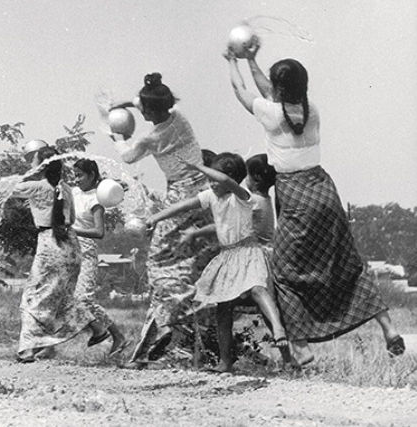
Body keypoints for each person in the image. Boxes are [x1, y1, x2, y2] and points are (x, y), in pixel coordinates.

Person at [225, 45, 405, 364]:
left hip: (295, 194)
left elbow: (242, 91)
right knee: (348, 263)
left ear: (279, 89)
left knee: (283, 271)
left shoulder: (271, 114)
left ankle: (302, 344)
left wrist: (233, 62)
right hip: (324, 189)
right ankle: (388, 328)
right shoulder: (312, 110)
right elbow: (272, 90)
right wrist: (252, 59)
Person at [109, 72, 215, 368]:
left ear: (149, 112)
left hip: (181, 197)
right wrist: (127, 103)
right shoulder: (179, 117)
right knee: (193, 260)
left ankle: (170, 317)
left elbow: (129, 158)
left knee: (158, 263)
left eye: (142, 108)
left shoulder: (152, 137)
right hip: (204, 192)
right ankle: (182, 328)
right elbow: (149, 100)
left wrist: (118, 137)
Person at [148, 153, 289, 373]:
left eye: (214, 179)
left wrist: (197, 166)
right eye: (210, 179)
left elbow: (225, 182)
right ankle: (225, 362)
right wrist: (155, 218)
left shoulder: (244, 196)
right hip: (227, 256)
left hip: (248, 251)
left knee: (258, 289)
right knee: (223, 310)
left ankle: (279, 330)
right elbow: (185, 206)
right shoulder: (211, 196)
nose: (212, 183)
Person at [8, 146, 112, 362]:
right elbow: (71, 219)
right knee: (63, 298)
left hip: (50, 244)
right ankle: (97, 328)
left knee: (32, 298)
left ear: (41, 166)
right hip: (71, 245)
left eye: (33, 161)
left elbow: (4, 189)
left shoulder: (36, 186)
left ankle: (28, 350)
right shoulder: (66, 189)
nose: (30, 165)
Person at [71, 158, 129, 356]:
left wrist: (73, 230)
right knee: (63, 299)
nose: (76, 179)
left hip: (86, 253)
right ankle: (49, 346)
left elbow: (99, 231)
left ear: (92, 176)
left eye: (80, 175)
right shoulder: (74, 192)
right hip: (70, 253)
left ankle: (115, 334)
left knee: (82, 300)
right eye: (75, 175)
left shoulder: (96, 200)